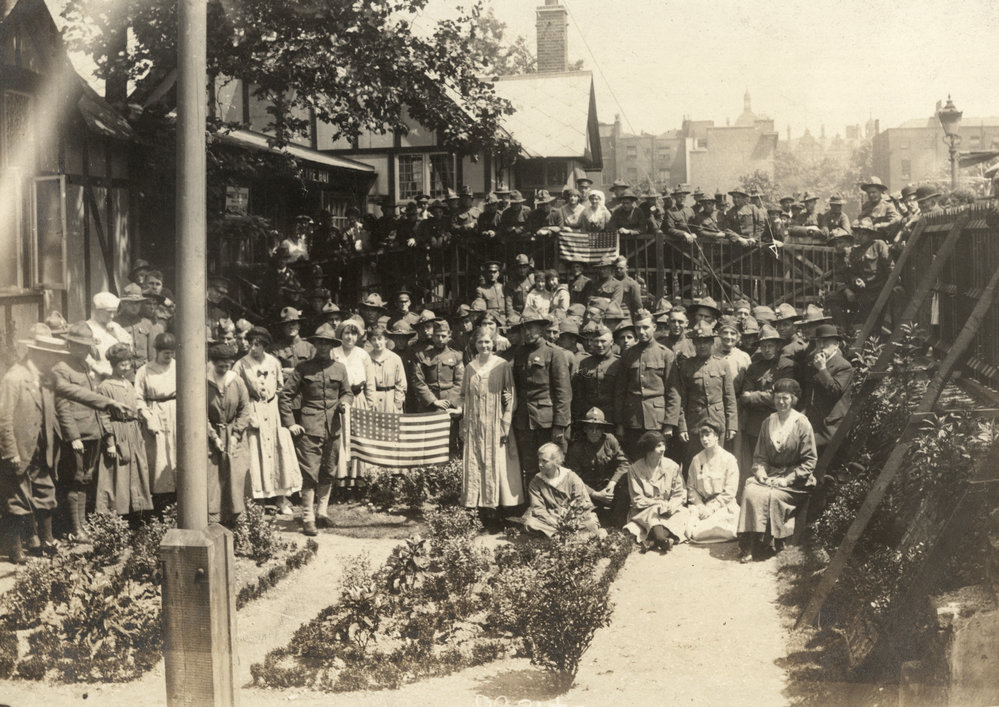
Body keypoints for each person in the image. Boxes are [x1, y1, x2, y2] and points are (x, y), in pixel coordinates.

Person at [0, 328, 68, 561]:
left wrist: (106, 403)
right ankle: (15, 549)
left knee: (45, 493)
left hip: (41, 449)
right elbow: (4, 418)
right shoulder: (14, 377)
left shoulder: (44, 378)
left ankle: (47, 542)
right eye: (47, 355)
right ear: (34, 353)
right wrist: (11, 451)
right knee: (16, 501)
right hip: (19, 450)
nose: (51, 360)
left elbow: (72, 391)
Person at [280, 324, 353, 535]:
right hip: (309, 428)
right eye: (319, 342)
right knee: (309, 473)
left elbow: (347, 392)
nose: (322, 346)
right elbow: (285, 396)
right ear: (315, 344)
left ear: (332, 346)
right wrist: (290, 423)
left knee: (328, 471)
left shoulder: (340, 369)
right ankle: (308, 518)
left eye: (326, 343)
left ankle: (322, 513)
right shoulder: (303, 368)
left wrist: (345, 402)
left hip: (333, 427)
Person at [737, 378, 817, 562]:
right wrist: (761, 472)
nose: (781, 402)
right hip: (770, 475)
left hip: (795, 480)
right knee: (750, 491)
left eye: (786, 398)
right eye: (778, 398)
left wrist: (787, 479)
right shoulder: (767, 422)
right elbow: (760, 456)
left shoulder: (802, 423)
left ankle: (769, 544)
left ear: (793, 399)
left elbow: (810, 461)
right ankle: (749, 546)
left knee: (772, 496)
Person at [458, 325, 522, 528]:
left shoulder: (502, 365)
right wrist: (463, 423)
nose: (484, 345)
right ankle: (477, 513)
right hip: (475, 424)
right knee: (476, 464)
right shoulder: (470, 367)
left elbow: (510, 397)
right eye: (480, 342)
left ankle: (496, 513)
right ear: (474, 344)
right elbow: (464, 396)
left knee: (496, 464)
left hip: (496, 424)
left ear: (493, 343)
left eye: (487, 342)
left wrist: (505, 423)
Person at [232, 326, 301, 514]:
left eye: (257, 345)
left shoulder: (273, 362)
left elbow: (281, 387)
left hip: (273, 410)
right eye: (251, 344)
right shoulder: (241, 364)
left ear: (265, 346)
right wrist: (247, 413)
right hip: (253, 410)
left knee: (279, 450)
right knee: (256, 453)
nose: (253, 348)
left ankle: (282, 499)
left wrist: (280, 410)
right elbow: (236, 392)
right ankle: (258, 501)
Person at [511, 310, 572, 478]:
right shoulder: (519, 353)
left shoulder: (554, 353)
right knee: (530, 466)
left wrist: (560, 425)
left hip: (547, 421)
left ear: (541, 329)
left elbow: (563, 393)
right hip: (524, 420)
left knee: (551, 465)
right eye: (523, 329)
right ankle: (534, 503)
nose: (527, 333)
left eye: (531, 328)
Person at [614, 309, 682, 457]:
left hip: (657, 420)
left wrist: (669, 424)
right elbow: (620, 391)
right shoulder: (628, 354)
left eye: (645, 327)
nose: (641, 331)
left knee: (657, 460)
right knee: (635, 460)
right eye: (638, 328)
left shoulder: (666, 354)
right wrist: (619, 423)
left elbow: (673, 392)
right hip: (632, 420)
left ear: (654, 327)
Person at [95, 343, 152, 517]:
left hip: (133, 431)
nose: (126, 367)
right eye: (122, 364)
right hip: (118, 432)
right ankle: (118, 514)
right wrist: (110, 442)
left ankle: (137, 511)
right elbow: (103, 415)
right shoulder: (106, 386)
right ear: (113, 365)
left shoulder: (128, 383)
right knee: (118, 475)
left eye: (128, 363)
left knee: (137, 470)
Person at [676, 322, 737, 463]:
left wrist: (732, 425)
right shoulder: (686, 366)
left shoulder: (722, 364)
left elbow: (729, 397)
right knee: (693, 462)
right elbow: (681, 398)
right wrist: (682, 426)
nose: (702, 345)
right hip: (695, 422)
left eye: (706, 342)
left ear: (712, 343)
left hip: (717, 421)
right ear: (694, 344)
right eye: (698, 342)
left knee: (717, 462)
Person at [564, 407, 630, 526]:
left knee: (624, 489)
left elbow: (624, 463)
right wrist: (595, 494)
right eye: (591, 428)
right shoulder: (577, 447)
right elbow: (573, 478)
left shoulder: (610, 440)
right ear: (585, 429)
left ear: (603, 429)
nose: (594, 432)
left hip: (607, 487)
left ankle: (617, 520)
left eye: (598, 428)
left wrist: (612, 483)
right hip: (587, 490)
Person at [624, 431, 688, 553]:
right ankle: (660, 538)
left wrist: (672, 506)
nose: (663, 449)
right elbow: (637, 499)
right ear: (648, 449)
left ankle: (653, 542)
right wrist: (656, 503)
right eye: (658, 446)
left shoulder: (672, 466)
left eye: (663, 445)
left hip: (667, 511)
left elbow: (679, 493)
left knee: (685, 513)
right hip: (643, 511)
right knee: (653, 512)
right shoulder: (634, 469)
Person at [738, 324, 783, 497]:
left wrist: (755, 396)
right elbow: (744, 397)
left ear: (777, 346)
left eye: (770, 345)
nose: (767, 349)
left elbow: (779, 398)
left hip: (777, 423)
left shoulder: (785, 365)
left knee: (775, 463)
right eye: (763, 346)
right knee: (756, 464)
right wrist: (766, 396)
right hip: (755, 424)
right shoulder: (754, 367)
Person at [522, 443, 602, 539]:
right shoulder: (536, 482)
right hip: (550, 519)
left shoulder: (571, 477)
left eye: (544, 461)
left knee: (591, 521)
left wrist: (570, 519)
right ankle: (571, 536)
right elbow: (538, 508)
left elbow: (583, 502)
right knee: (530, 523)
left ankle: (558, 536)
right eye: (539, 460)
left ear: (556, 462)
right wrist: (550, 519)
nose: (540, 464)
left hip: (573, 519)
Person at [134, 332, 178, 509]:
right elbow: (138, 398)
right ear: (157, 352)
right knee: (157, 457)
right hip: (154, 413)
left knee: (175, 454)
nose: (169, 356)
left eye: (171, 352)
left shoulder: (178, 367)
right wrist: (147, 417)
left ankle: (177, 501)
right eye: (165, 353)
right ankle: (160, 504)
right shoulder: (144, 371)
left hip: (175, 411)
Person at [801, 324, 854, 457]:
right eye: (818, 342)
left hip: (831, 428)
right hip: (813, 424)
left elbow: (835, 391)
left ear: (836, 344)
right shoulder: (813, 362)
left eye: (825, 342)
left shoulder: (844, 366)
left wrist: (822, 369)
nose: (821, 346)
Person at [684, 420, 739, 543]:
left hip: (722, 506)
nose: (704, 439)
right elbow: (691, 487)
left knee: (715, 528)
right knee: (690, 530)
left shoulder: (728, 459)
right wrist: (700, 506)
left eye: (708, 435)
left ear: (716, 436)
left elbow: (730, 491)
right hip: (702, 506)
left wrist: (712, 508)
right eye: (701, 436)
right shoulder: (697, 460)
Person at [366, 324, 407, 413]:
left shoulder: (395, 358)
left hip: (391, 401)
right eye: (373, 339)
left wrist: (397, 404)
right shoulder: (367, 359)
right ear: (370, 341)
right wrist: (370, 404)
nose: (377, 342)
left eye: (380, 338)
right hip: (373, 402)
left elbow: (401, 383)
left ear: (386, 339)